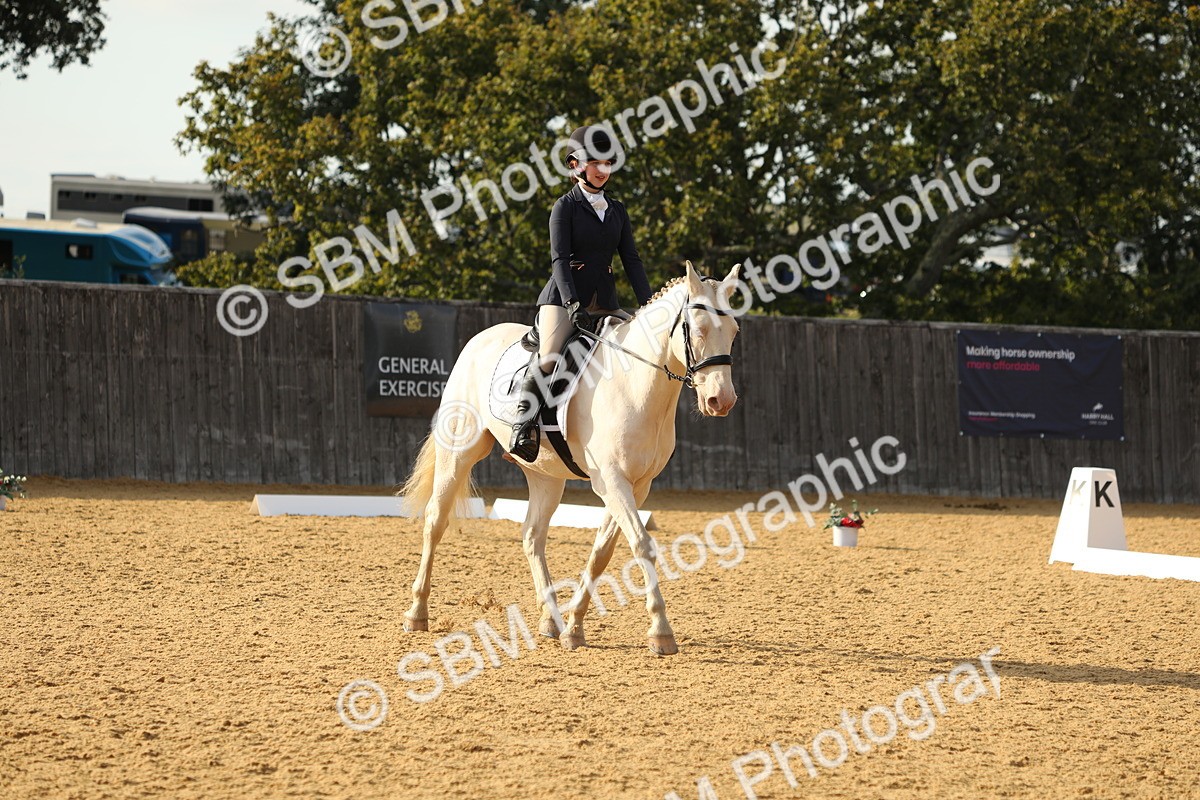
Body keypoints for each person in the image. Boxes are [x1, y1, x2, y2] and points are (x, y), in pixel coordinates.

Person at [508, 124, 655, 461]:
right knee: (548, 357)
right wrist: (572, 303)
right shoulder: (566, 207)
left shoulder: (617, 210)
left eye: (608, 164)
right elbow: (559, 259)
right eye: (596, 163)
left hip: (605, 302)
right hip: (562, 299)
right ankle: (523, 424)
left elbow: (631, 261)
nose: (603, 171)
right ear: (575, 165)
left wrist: (649, 305)